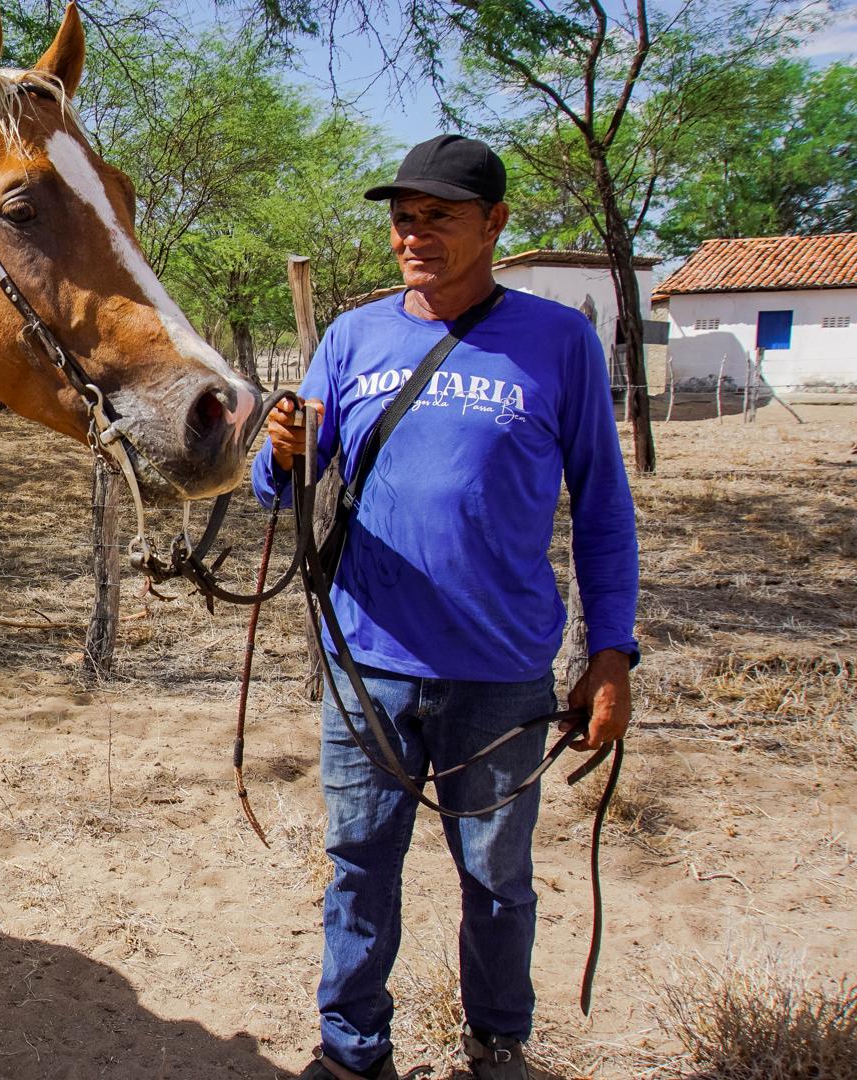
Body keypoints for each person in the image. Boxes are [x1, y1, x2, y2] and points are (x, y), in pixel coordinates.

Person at [252, 135, 639, 1080]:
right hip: (369, 669)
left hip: (501, 675)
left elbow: (603, 509)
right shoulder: (352, 339)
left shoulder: (560, 343)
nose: (413, 235)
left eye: (439, 217)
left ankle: (498, 1045)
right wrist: (281, 450)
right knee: (357, 871)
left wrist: (612, 653)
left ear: (494, 223)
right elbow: (278, 488)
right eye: (403, 219)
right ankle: (351, 1052)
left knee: (498, 883)